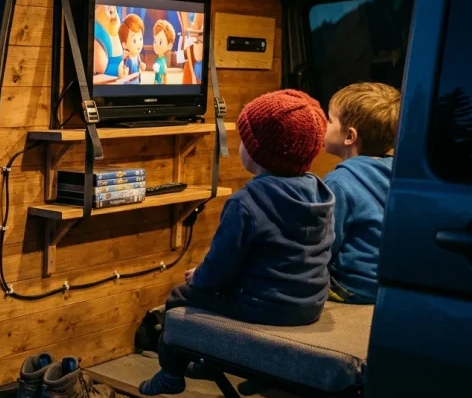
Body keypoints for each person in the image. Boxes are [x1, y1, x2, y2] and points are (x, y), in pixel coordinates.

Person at [138, 89, 336, 396]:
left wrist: (200, 277)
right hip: (310, 305)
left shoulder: (246, 202)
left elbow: (221, 267)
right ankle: (206, 362)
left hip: (262, 307)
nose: (240, 144)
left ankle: (170, 374)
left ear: (258, 152)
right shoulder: (320, 192)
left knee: (180, 296)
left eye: (244, 138)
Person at [322, 82, 401, 304]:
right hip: (386, 284)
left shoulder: (339, 182)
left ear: (349, 136)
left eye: (329, 120)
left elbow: (325, 243)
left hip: (353, 286)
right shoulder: (397, 172)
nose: (324, 125)